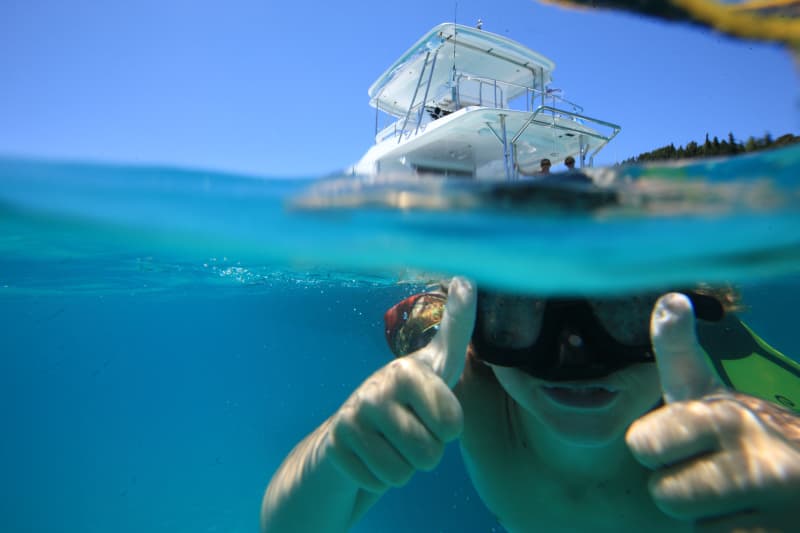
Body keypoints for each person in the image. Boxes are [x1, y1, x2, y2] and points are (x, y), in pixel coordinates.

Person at [260, 278, 800, 532]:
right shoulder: (466, 384)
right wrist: (340, 445)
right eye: (518, 320)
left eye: (625, 314)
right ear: (480, 339)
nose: (575, 357)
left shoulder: (731, 427)